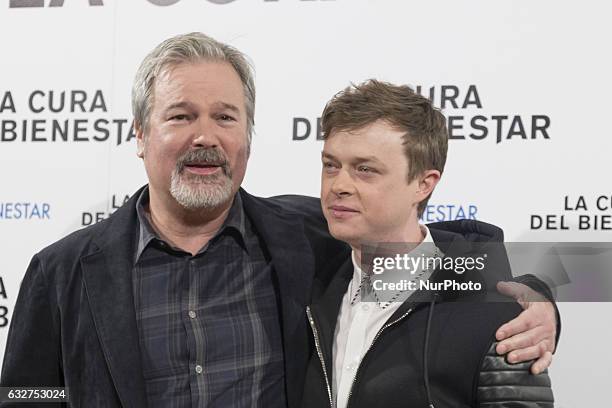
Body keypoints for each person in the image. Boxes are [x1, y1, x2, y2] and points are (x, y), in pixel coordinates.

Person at [1, 33, 556, 408]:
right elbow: (28, 398)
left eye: (225, 117)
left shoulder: (308, 233)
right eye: (180, 116)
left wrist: (533, 298)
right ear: (141, 135)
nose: (205, 136)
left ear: (248, 137)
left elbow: (422, 238)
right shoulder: (62, 270)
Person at [302, 80, 555, 408]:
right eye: (331, 166)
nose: (339, 185)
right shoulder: (307, 283)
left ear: (423, 184)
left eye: (365, 170)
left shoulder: (497, 314)